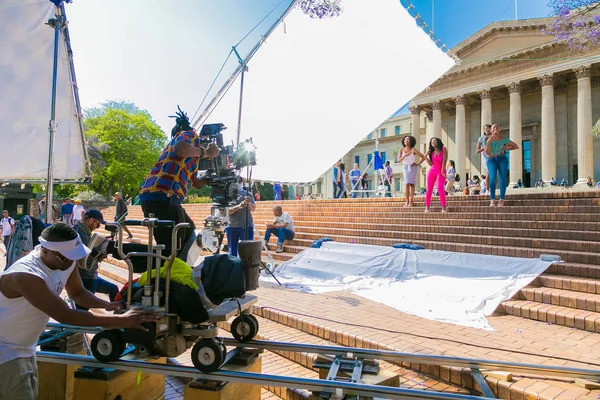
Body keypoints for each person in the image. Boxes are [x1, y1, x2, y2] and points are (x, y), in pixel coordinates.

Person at [0, 223, 160, 400]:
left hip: (25, 347)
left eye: (74, 257)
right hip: (6, 351)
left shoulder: (63, 260)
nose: (71, 262)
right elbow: (65, 315)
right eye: (66, 258)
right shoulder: (26, 275)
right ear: (45, 251)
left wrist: (106, 305)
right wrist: (122, 320)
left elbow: (78, 293)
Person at [138, 107, 218, 259]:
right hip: (163, 196)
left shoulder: (188, 159)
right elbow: (180, 148)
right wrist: (206, 153)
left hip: (156, 196)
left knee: (186, 235)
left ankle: (173, 275)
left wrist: (211, 177)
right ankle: (107, 246)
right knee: (171, 249)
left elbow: (196, 184)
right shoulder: (188, 134)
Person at [485, 123, 519, 206]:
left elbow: (516, 146)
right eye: (494, 128)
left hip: (502, 159)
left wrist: (505, 148)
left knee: (502, 178)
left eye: (497, 127)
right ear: (491, 130)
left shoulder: (504, 139)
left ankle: (501, 200)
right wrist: (489, 141)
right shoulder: (487, 139)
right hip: (491, 160)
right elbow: (487, 152)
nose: (495, 129)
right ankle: (492, 200)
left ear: (499, 130)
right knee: (492, 178)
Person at [226, 178, 256, 257]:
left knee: (248, 250)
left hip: (246, 225)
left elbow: (253, 209)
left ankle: (246, 268)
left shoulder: (247, 193)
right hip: (231, 226)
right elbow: (227, 211)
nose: (238, 183)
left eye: (239, 181)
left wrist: (249, 203)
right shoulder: (227, 194)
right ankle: (233, 267)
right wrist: (238, 207)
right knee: (232, 251)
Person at [397, 135, 425, 207]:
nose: (406, 141)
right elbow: (399, 160)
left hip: (413, 167)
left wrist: (418, 164)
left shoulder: (413, 150)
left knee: (412, 184)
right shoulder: (401, 149)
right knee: (406, 183)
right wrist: (405, 155)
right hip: (405, 167)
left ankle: (411, 201)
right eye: (405, 140)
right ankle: (406, 201)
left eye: (408, 140)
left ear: (410, 141)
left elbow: (423, 157)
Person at [424, 137, 448, 213]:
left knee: (440, 187)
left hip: (441, 171)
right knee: (429, 189)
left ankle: (444, 207)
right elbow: (431, 164)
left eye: (434, 141)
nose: (433, 143)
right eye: (431, 142)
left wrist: (442, 171)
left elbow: (444, 160)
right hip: (432, 171)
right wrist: (425, 156)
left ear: (438, 141)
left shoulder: (443, 149)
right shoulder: (431, 152)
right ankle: (427, 207)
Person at [476, 124, 492, 192]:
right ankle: (488, 190)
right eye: (485, 129)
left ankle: (491, 188)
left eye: (488, 128)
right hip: (487, 158)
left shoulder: (494, 137)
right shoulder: (481, 138)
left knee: (495, 175)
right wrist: (484, 148)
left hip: (495, 156)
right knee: (489, 173)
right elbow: (477, 151)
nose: (486, 130)